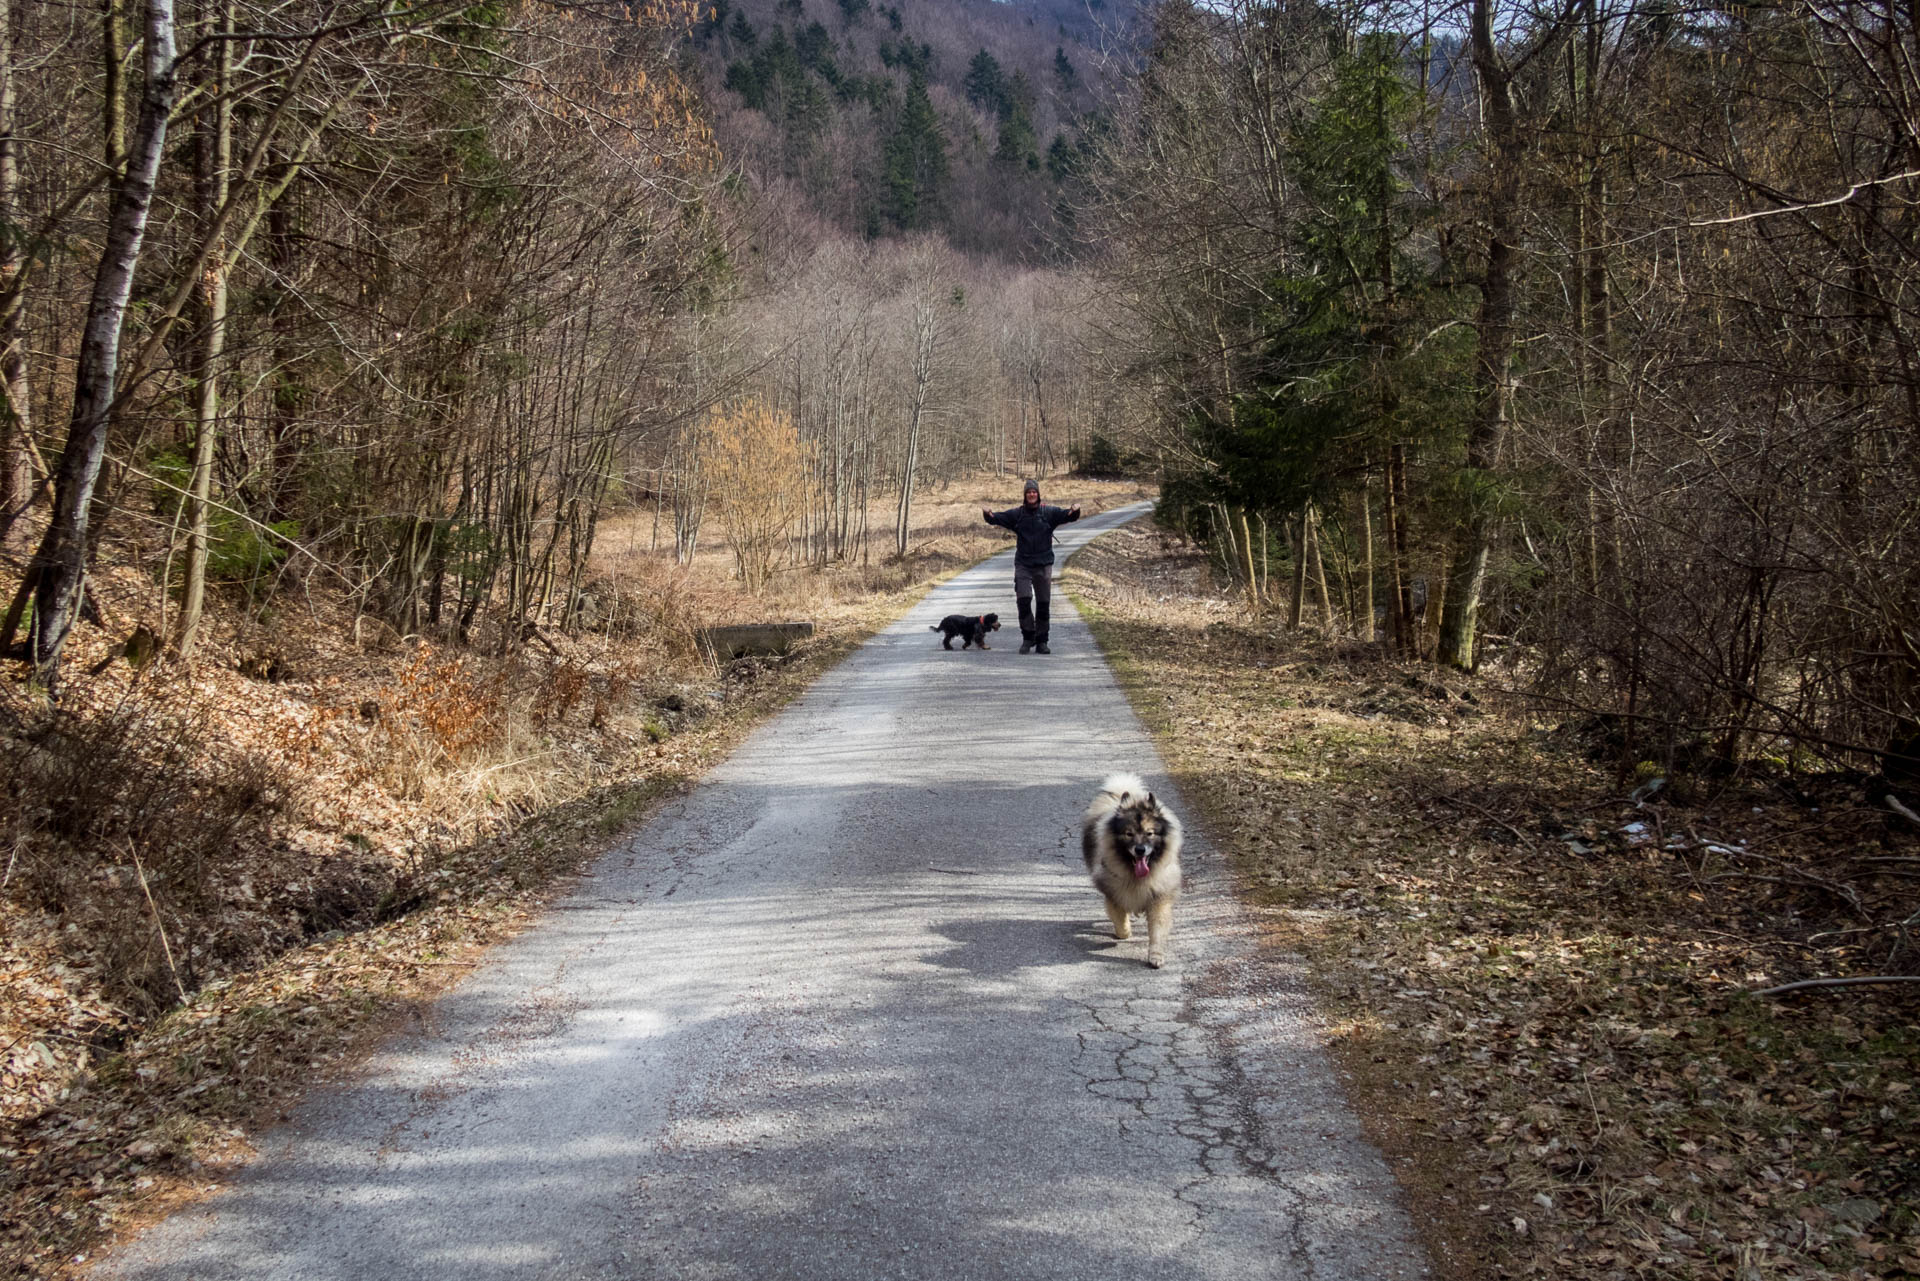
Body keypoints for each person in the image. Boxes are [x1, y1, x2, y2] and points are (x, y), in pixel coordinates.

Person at [983, 479, 1081, 654]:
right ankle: (1028, 638)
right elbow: (997, 518)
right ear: (1025, 495)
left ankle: (1042, 641)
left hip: (1044, 564)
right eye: (1028, 492)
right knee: (1024, 601)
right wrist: (988, 514)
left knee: (1043, 604)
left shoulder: (1048, 512)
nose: (1031, 494)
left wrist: (1075, 510)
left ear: (1038, 494)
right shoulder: (1017, 514)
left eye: (1034, 492)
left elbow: (1068, 515)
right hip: (1023, 565)